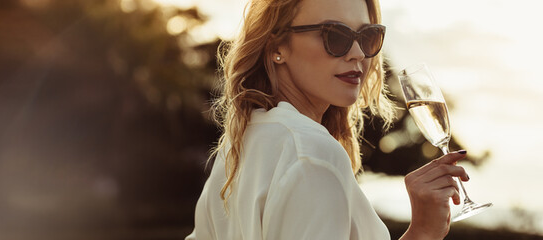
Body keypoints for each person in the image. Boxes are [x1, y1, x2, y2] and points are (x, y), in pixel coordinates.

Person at [185, 0, 470, 239]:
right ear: (277, 47)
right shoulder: (313, 156)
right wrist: (423, 234)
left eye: (368, 36)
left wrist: (420, 231)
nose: (358, 53)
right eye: (335, 35)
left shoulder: (237, 148)